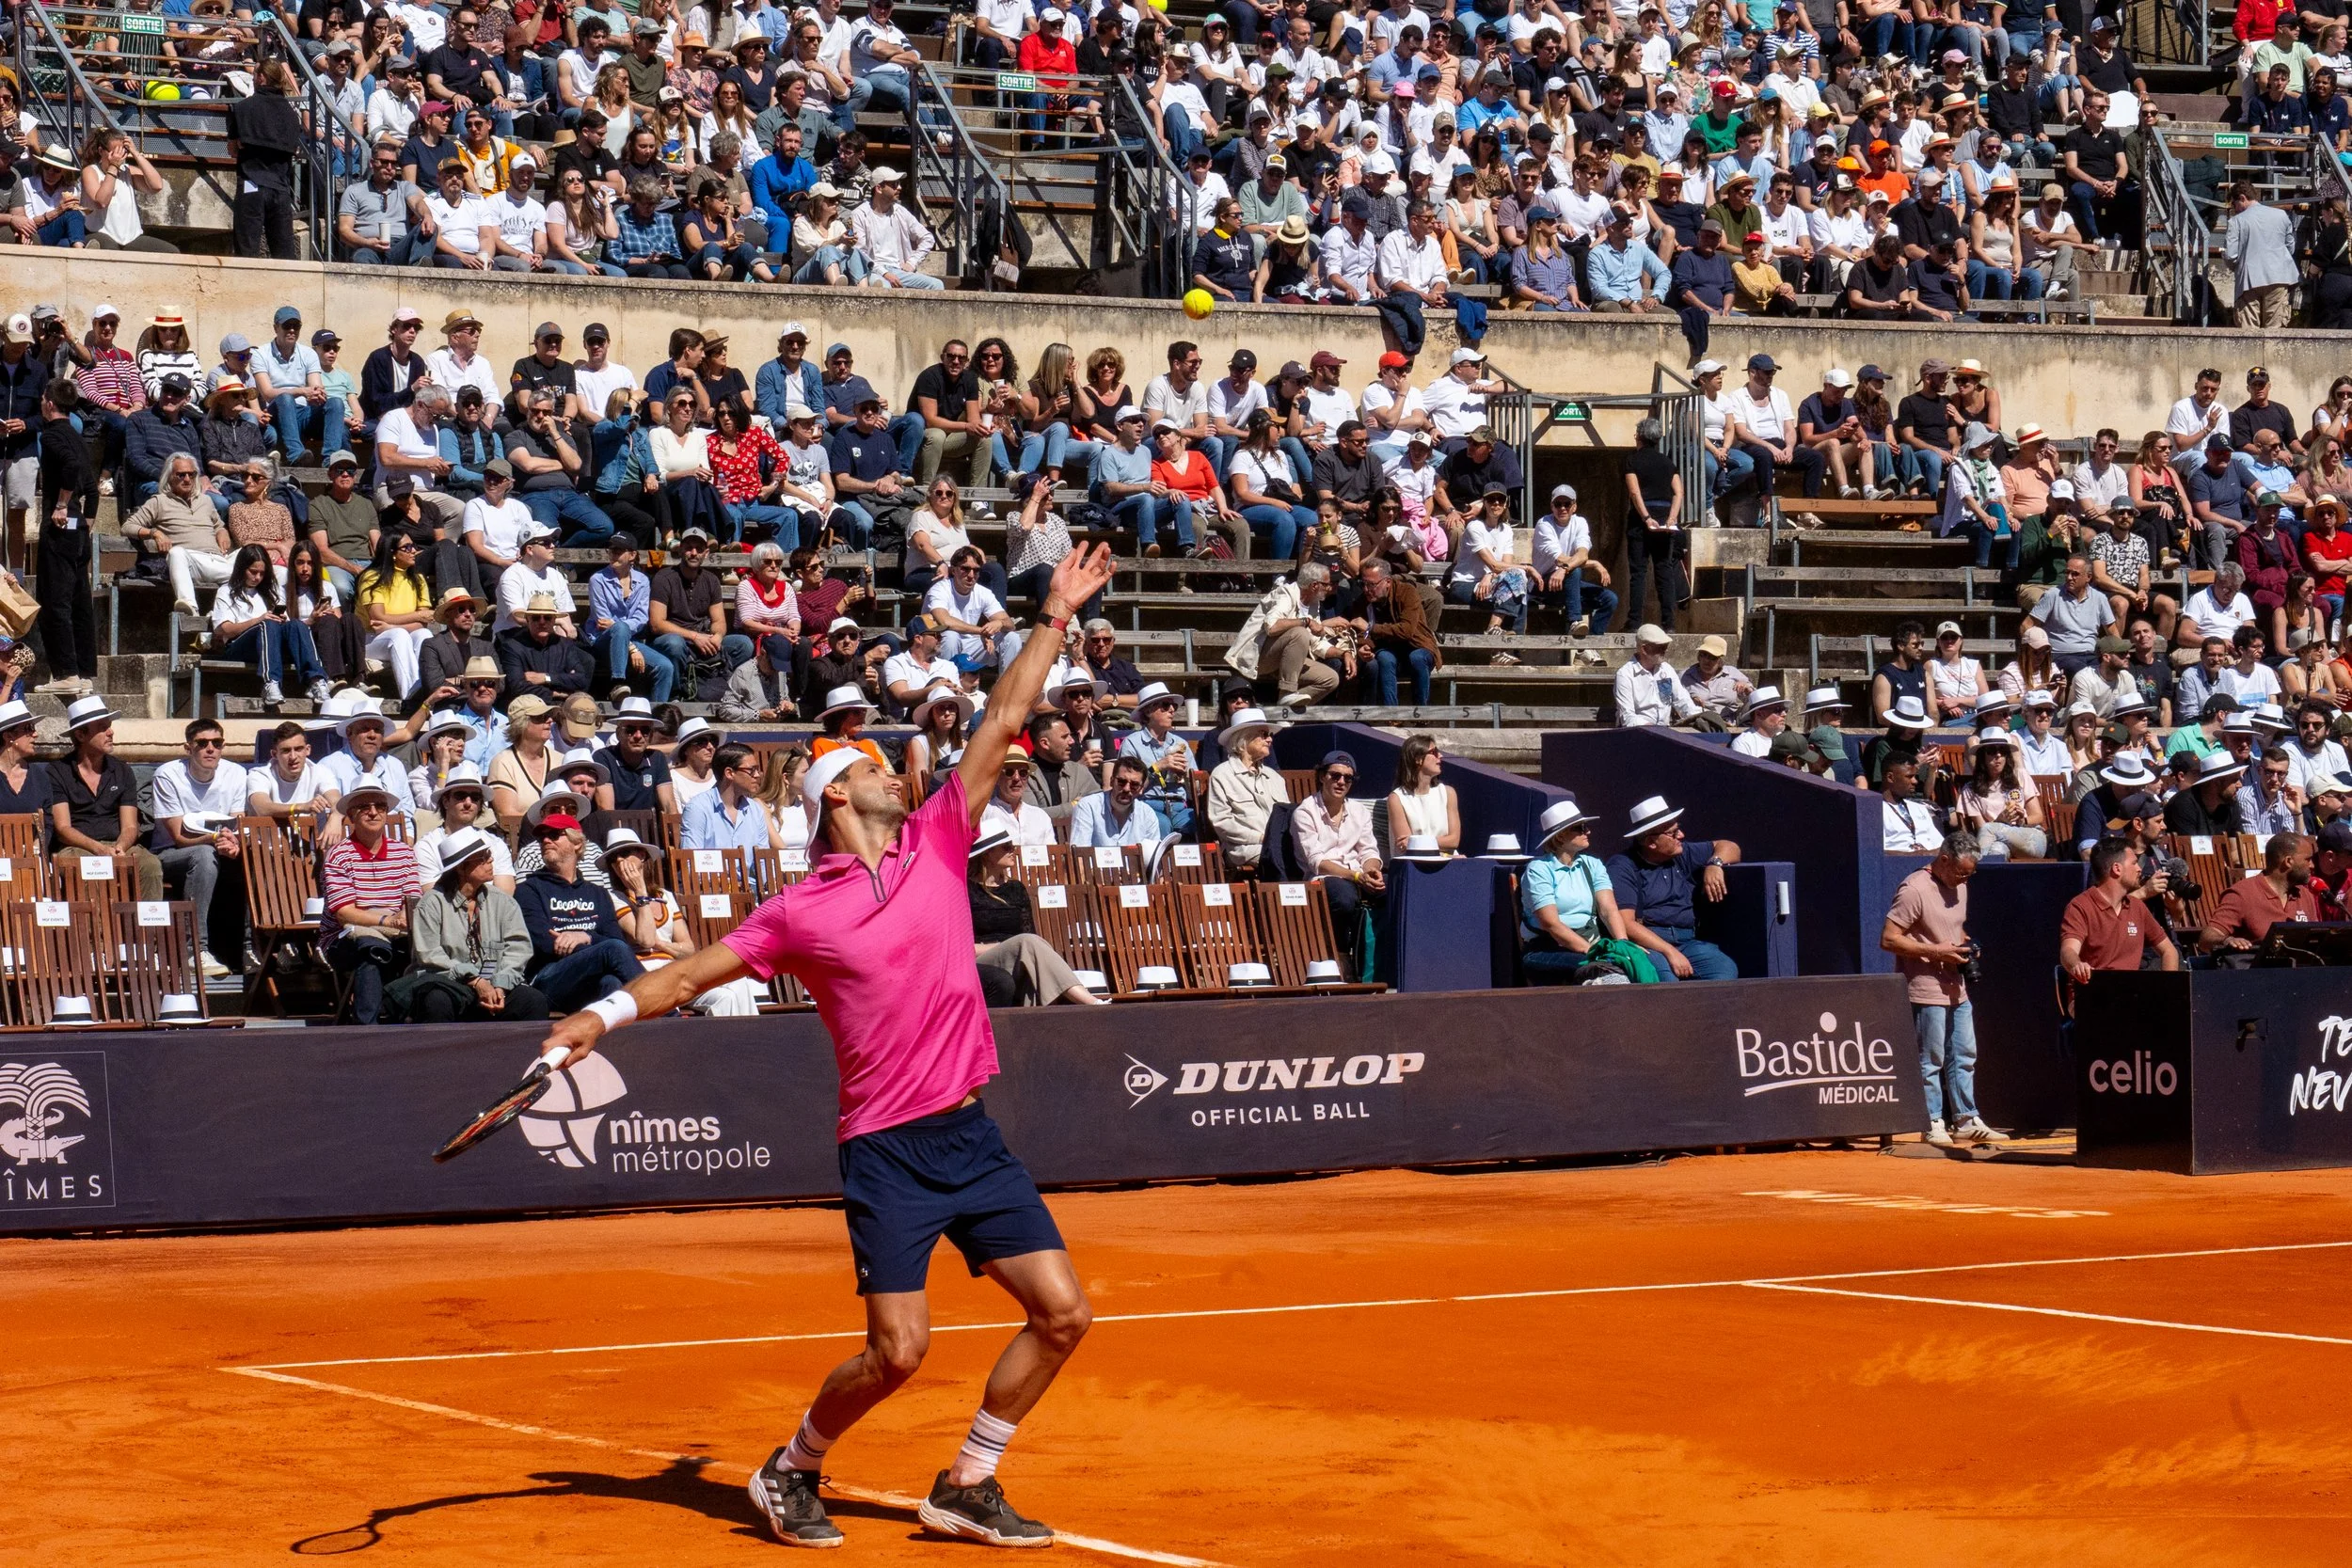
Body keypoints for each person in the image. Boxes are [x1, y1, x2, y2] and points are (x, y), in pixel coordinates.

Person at [533, 543, 1112, 1551]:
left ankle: (968, 1482)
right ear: (838, 796)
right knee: (897, 1352)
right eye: (874, 766)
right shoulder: (800, 910)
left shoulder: (936, 838)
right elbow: (683, 974)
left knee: (1062, 1313)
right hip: (886, 1147)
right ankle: (790, 1465)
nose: (896, 770)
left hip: (968, 1131)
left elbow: (1005, 718)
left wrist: (1054, 616)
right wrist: (596, 1019)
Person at [1882, 832, 2004, 1148]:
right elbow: (1889, 939)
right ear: (1943, 860)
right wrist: (1937, 952)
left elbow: (1953, 927)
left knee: (1964, 1054)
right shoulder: (1914, 889)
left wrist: (1965, 945)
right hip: (1925, 988)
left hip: (1956, 987)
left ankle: (1966, 1119)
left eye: (1971, 873)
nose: (1966, 878)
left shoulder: (1961, 885)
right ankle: (1932, 1120)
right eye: (1962, 871)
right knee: (1931, 1059)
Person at [401, 827, 549, 1022]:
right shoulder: (431, 905)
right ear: (461, 868)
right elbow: (430, 955)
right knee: (436, 1001)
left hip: (495, 983)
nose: (491, 860)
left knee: (533, 1001)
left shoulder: (503, 903)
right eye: (483, 857)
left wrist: (500, 985)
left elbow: (518, 949)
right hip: (449, 984)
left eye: (489, 854)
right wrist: (475, 980)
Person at [516, 808, 645, 1009]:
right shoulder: (528, 890)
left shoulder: (597, 893)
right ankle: (668, 1013)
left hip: (589, 981)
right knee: (611, 951)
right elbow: (544, 943)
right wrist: (596, 945)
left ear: (577, 843)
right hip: (548, 977)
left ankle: (620, 1039)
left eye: (554, 835)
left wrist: (586, 937)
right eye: (542, 837)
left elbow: (617, 940)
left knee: (610, 983)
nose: (545, 841)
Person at [967, 829, 1111, 1006]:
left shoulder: (1016, 888)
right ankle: (1090, 1002)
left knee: (1031, 949)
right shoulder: (967, 890)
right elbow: (962, 948)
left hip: (1018, 958)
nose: (1013, 850)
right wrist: (1000, 946)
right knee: (1028, 942)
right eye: (1006, 847)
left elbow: (1030, 933)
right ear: (987, 853)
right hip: (983, 959)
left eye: (1013, 845)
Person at [1606, 795, 1741, 981]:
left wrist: (1715, 864)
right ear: (1651, 842)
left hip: (1688, 941)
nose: (1681, 836)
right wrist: (1670, 952)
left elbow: (1729, 846)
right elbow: (1626, 923)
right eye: (1673, 833)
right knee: (1666, 981)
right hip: (1649, 944)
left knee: (1724, 969)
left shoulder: (1681, 854)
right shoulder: (1623, 866)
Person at [150, 717, 246, 977]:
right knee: (204, 855)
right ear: (188, 748)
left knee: (254, 856)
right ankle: (194, 951)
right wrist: (215, 840)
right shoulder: (168, 774)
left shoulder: (236, 773)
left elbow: (237, 822)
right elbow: (179, 836)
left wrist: (234, 844)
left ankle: (255, 948)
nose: (210, 749)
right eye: (202, 743)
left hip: (219, 849)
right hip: (170, 854)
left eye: (217, 743)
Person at [320, 781, 420, 1025]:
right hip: (342, 939)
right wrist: (388, 919)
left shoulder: (404, 853)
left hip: (396, 933)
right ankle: (369, 1028)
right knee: (371, 949)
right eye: (364, 807)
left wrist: (399, 919)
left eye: (380, 807)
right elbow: (344, 914)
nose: (373, 812)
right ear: (351, 815)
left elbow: (411, 902)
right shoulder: (339, 855)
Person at [47, 694, 165, 898]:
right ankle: (97, 930)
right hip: (77, 847)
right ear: (81, 735)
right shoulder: (58, 772)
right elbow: (63, 828)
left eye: (109, 726)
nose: (110, 732)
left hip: (118, 845)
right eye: (102, 728)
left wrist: (120, 846)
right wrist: (98, 848)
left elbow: (130, 826)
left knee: (149, 865)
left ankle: (146, 928)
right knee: (90, 867)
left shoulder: (122, 771)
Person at [1519, 798, 1634, 983]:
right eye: (1580, 828)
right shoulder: (1539, 869)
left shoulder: (1592, 864)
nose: (1588, 831)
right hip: (1547, 949)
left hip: (1590, 943)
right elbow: (1551, 924)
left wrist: (1624, 945)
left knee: (1638, 962)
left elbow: (1608, 910)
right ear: (1561, 836)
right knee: (1607, 972)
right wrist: (1593, 952)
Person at [1292, 750, 1384, 955]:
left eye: (1348, 778)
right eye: (1335, 776)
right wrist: (1357, 877)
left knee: (1395, 889)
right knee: (1344, 899)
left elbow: (1369, 850)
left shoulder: (1359, 811)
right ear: (1322, 776)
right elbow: (1316, 861)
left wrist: (1371, 871)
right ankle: (1340, 955)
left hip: (1358, 874)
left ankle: (1379, 960)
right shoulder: (1305, 812)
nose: (1341, 782)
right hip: (1324, 877)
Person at [2060, 836, 2182, 980]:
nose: (2139, 869)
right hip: (2093, 994)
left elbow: (2169, 951)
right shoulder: (2080, 906)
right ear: (2117, 869)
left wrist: (2168, 989)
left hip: (2132, 996)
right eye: (2134, 863)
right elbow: (2068, 950)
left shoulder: (2137, 907)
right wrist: (2077, 965)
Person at [2200, 832, 2321, 951]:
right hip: (2255, 968)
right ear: (2288, 861)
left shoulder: (2304, 895)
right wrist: (2227, 940)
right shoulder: (2243, 894)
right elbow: (2207, 938)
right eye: (2308, 859)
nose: (2312, 865)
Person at [1206, 705, 1284, 875]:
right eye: (1264, 734)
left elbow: (1286, 818)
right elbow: (1222, 822)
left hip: (1277, 845)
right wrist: (1260, 838)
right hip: (1243, 848)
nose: (1270, 740)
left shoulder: (1275, 777)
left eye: (1270, 735)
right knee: (1279, 858)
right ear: (1244, 738)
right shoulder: (1222, 775)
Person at [681, 740, 786, 851]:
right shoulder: (698, 808)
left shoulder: (755, 810)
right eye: (751, 770)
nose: (757, 775)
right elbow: (691, 861)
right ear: (729, 773)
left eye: (757, 770)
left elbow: (763, 860)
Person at [1615, 622, 1703, 726]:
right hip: (1638, 733)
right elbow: (1627, 717)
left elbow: (1683, 701)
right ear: (1644, 649)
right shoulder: (1625, 674)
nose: (1665, 651)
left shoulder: (1666, 669)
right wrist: (1655, 730)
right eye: (1660, 647)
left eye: (1666, 646)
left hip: (1664, 732)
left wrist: (1703, 717)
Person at [1385, 734, 1460, 852]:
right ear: (1418, 759)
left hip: (1448, 861)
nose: (1440, 756)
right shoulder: (1397, 798)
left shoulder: (1448, 793)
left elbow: (1454, 841)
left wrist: (1417, 841)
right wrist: (1438, 842)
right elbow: (1405, 846)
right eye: (1434, 752)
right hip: (1414, 865)